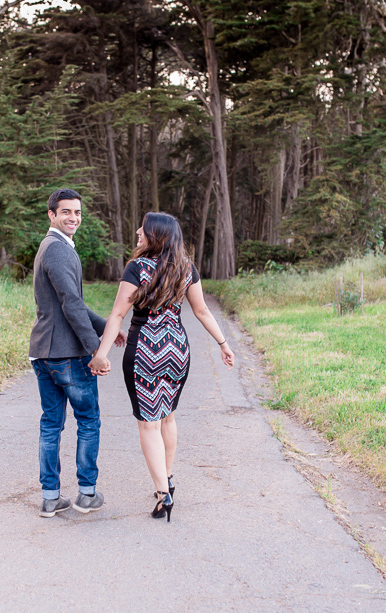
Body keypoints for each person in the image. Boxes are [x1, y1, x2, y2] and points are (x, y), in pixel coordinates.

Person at [89, 212, 234, 522]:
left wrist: (102, 354)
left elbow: (117, 315)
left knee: (148, 424)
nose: (139, 231)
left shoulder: (136, 268)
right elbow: (202, 311)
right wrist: (223, 344)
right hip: (177, 349)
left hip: (145, 350)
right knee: (167, 417)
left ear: (155, 235)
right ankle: (167, 479)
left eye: (144, 227)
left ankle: (162, 494)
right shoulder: (186, 268)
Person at [29, 188, 125, 518]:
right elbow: (71, 305)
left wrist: (104, 328)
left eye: (78, 213)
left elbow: (72, 303)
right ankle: (86, 494)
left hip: (44, 353)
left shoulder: (53, 248)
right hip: (66, 354)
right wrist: (95, 350)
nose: (73, 218)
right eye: (66, 212)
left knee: (51, 425)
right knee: (88, 421)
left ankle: (51, 498)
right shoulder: (57, 250)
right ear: (51, 215)